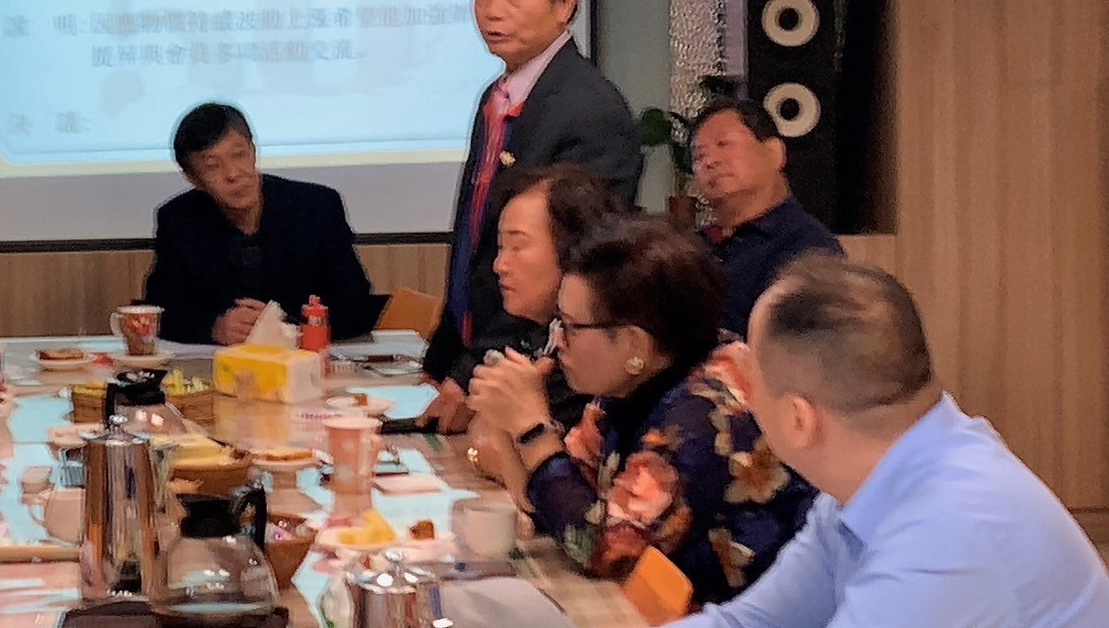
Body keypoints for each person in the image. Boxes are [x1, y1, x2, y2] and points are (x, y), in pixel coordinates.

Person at [674, 255, 1109, 627]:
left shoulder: (944, 537)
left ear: (798, 419)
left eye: (750, 373)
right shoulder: (867, 485)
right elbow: (748, 623)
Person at [468, 215, 813, 603]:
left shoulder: (706, 414)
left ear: (635, 344)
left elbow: (602, 547)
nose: (557, 342)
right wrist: (506, 421)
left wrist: (532, 429)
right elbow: (556, 506)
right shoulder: (630, 383)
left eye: (571, 326)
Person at [422, 0, 644, 431]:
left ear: (565, 3)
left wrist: (475, 371)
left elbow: (569, 266)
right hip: (480, 361)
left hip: (545, 379)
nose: (492, 10)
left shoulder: (588, 109)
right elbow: (476, 243)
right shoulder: (498, 95)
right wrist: (447, 360)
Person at [142, 102, 384, 345]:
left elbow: (357, 307)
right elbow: (161, 313)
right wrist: (215, 328)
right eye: (213, 166)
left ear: (253, 150)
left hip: (302, 360)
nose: (233, 174)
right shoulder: (179, 220)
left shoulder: (316, 208)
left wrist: (287, 327)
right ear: (193, 178)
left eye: (239, 155)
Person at [461, 164, 628, 488]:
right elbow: (488, 429)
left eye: (518, 246)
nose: (499, 265)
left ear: (576, 249)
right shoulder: (542, 331)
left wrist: (497, 445)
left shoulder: (597, 346)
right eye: (500, 247)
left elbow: (557, 479)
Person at [691, 99, 843, 335]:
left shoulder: (809, 249)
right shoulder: (691, 247)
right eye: (699, 156)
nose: (709, 161)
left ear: (774, 153)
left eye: (724, 144)